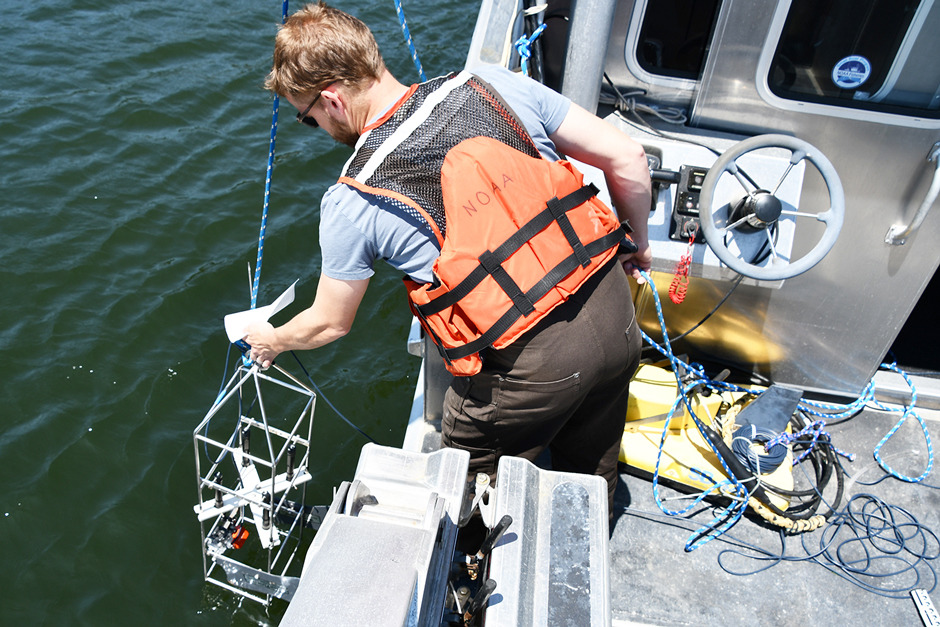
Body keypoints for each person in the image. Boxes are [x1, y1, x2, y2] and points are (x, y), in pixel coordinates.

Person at [245, 1, 652, 511]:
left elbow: (330, 323)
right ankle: (591, 523)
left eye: (307, 119)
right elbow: (627, 157)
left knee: (468, 483)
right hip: (616, 316)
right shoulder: (492, 84)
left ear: (332, 101)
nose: (316, 129)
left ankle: (474, 567)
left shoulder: (352, 199)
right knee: (591, 469)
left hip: (531, 367)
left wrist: (274, 340)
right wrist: (638, 243)